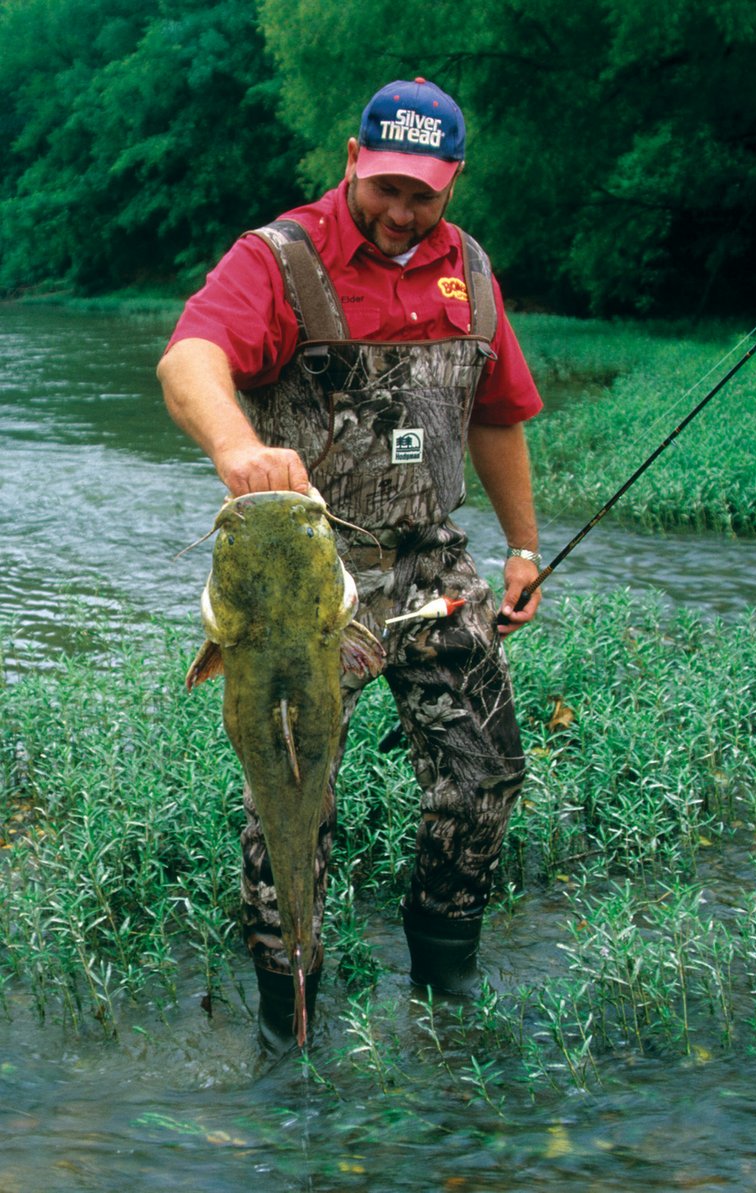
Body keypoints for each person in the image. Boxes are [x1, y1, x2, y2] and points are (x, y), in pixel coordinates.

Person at [157, 77, 544, 1051]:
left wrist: (523, 546)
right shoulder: (281, 261)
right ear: (349, 161)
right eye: (383, 187)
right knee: (290, 799)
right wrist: (234, 448)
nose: (399, 211)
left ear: (452, 182)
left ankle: (444, 977)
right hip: (309, 571)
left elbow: (497, 414)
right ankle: (287, 1018)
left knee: (484, 773)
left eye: (421, 192)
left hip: (434, 567)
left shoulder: (475, 273)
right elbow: (189, 360)